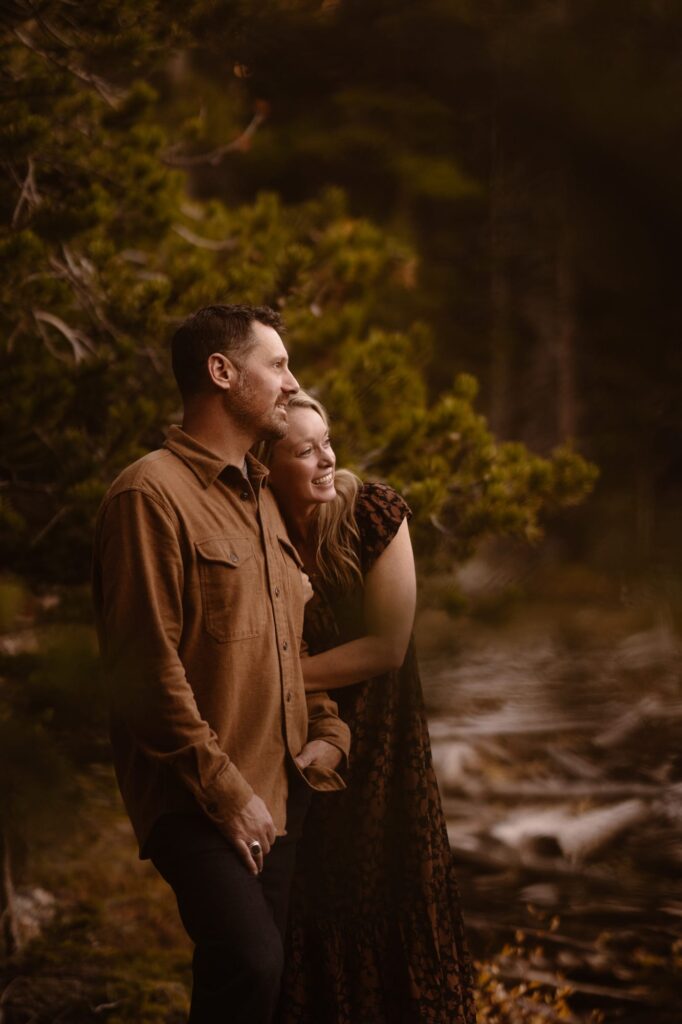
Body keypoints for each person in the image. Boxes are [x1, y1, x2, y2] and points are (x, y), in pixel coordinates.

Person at [92, 307, 351, 1024]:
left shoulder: (262, 500)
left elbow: (286, 646)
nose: (292, 384)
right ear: (221, 372)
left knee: (261, 987)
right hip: (198, 795)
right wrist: (227, 791)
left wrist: (327, 733)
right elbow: (145, 668)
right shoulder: (149, 494)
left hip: (280, 789)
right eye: (278, 365)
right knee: (248, 960)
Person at [262, 391, 477, 1024]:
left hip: (384, 749)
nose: (327, 459)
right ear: (265, 465)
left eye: (327, 441)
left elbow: (388, 646)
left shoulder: (372, 513)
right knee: (307, 903)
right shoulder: (256, 526)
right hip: (296, 749)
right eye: (306, 450)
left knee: (386, 893)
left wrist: (275, 677)